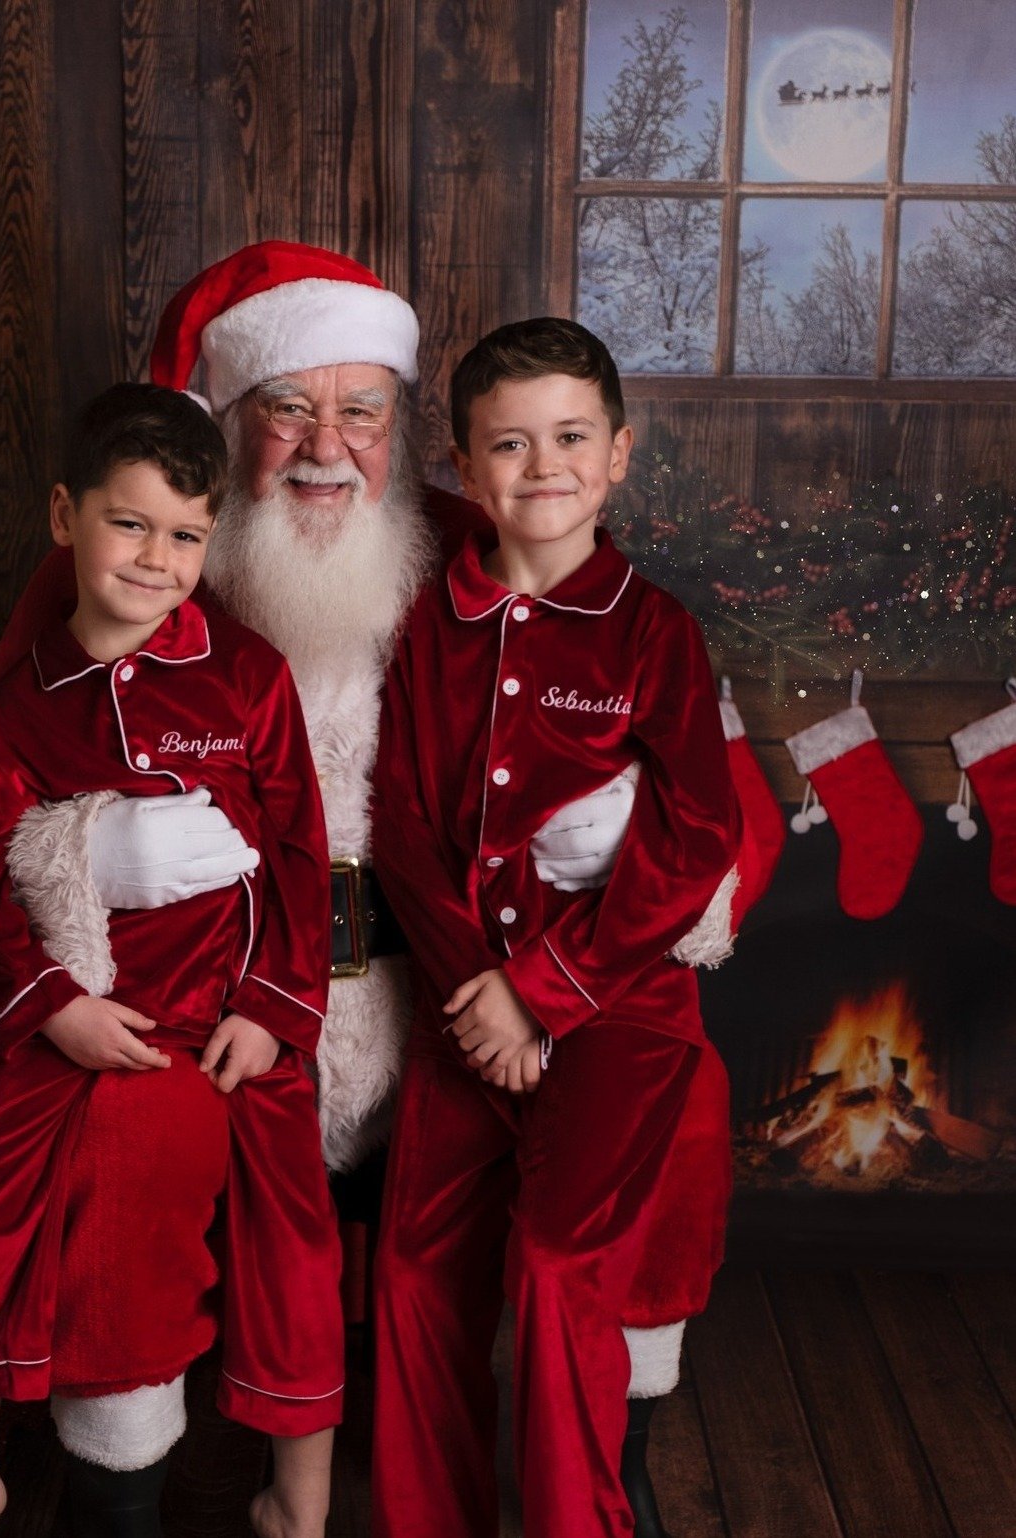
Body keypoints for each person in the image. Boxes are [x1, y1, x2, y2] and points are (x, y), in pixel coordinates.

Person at [0, 242, 735, 1536]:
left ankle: (605, 1472)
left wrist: (642, 851)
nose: (324, 444)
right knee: (137, 1158)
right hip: (205, 999)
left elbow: (700, 779)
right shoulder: (128, 578)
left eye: (361, 409)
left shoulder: (476, 543)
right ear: (226, 426)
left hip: (447, 1001)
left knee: (667, 1109)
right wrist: (77, 856)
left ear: (413, 438)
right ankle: (126, 1482)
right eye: (288, 406)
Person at [0, 384, 340, 1538]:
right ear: (66, 515)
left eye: (186, 535)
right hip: (99, 1023)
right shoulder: (23, 704)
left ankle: (300, 1498)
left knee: (292, 1243)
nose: (157, 559)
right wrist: (53, 1007)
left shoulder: (245, 675)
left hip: (240, 1027)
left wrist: (273, 1006)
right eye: (130, 523)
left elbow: (303, 850)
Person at [368, 317, 742, 1538]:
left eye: (571, 437)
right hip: (462, 1011)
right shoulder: (433, 624)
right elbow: (408, 828)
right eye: (509, 445)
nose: (544, 467)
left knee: (551, 1266)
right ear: (467, 472)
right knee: (418, 1270)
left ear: (620, 453)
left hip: (620, 1012)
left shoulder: (654, 632)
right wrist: (481, 988)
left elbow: (693, 838)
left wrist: (547, 986)